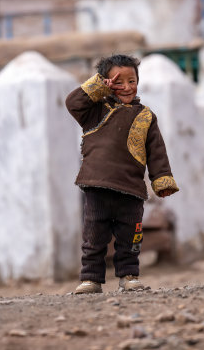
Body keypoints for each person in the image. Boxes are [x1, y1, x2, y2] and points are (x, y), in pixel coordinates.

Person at [65, 54, 179, 294]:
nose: (127, 87)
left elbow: (156, 151)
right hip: (97, 186)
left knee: (131, 237)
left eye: (132, 80)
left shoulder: (146, 117)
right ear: (106, 83)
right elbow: (73, 102)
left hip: (131, 190)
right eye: (118, 81)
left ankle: (129, 276)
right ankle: (90, 279)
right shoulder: (93, 112)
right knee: (94, 236)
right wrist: (96, 87)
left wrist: (161, 180)